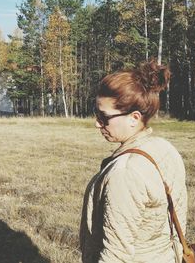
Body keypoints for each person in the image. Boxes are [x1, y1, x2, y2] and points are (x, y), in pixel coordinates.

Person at [79, 60, 188, 263]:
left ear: (134, 118)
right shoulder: (165, 149)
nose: (97, 123)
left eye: (104, 117)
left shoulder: (125, 172)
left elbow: (115, 255)